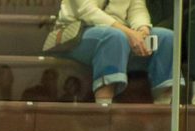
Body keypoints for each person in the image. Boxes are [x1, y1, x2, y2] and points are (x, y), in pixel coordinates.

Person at [48, 0, 177, 104]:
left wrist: (143, 30)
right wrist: (129, 33)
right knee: (114, 37)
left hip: (120, 32)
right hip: (78, 31)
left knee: (167, 38)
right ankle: (104, 106)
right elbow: (87, 11)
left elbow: (137, 8)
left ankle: (163, 106)